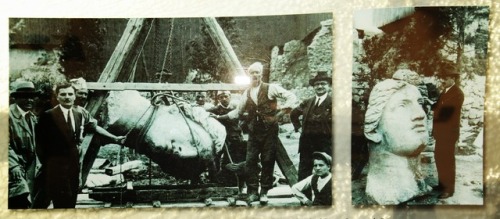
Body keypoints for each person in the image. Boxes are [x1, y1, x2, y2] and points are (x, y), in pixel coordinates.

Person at [34, 82, 126, 208]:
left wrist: (115, 138)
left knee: (71, 200)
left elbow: (94, 127)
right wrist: (46, 164)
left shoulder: (80, 113)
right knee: (57, 201)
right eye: (63, 94)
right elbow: (39, 143)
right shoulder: (48, 116)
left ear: (74, 96)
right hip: (55, 165)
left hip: (74, 165)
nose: (67, 97)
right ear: (57, 97)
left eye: (70, 94)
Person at [220, 62, 297, 204]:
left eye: (257, 72)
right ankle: (253, 192)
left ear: (261, 74)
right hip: (254, 132)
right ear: (249, 75)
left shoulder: (271, 88)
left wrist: (280, 114)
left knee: (268, 160)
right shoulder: (247, 92)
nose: (254, 75)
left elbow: (291, 97)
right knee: (250, 161)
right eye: (252, 73)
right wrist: (221, 118)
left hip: (270, 131)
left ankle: (264, 192)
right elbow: (237, 112)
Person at [363, 79, 430, 204]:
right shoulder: (382, 191)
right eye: (402, 106)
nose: (420, 114)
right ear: (373, 131)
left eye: (420, 104)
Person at [290, 71, 332, 181]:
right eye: (317, 84)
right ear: (313, 87)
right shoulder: (308, 102)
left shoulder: (334, 102)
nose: (320, 86)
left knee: (326, 171)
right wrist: (298, 128)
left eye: (323, 84)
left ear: (329, 86)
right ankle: (304, 196)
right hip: (307, 143)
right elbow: (293, 114)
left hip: (325, 143)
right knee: (304, 170)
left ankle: (324, 197)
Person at [432, 68, 464, 199]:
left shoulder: (457, 93)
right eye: (442, 78)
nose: (443, 80)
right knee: (439, 158)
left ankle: (449, 190)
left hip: (449, 133)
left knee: (447, 160)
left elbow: (447, 114)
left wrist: (435, 111)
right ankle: (441, 184)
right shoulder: (445, 92)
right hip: (441, 133)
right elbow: (438, 106)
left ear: (453, 79)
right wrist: (431, 105)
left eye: (445, 78)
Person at [8, 81, 39, 208]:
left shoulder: (31, 117)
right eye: (25, 97)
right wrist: (13, 166)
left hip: (28, 166)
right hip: (12, 165)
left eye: (32, 97)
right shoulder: (7, 116)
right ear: (15, 98)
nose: (29, 100)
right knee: (17, 197)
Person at [208, 91, 246, 190]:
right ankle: (215, 180)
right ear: (219, 99)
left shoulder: (235, 108)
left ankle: (240, 182)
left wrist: (240, 128)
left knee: (236, 158)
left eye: (226, 96)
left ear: (230, 97)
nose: (224, 99)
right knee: (216, 157)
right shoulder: (215, 109)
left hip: (235, 137)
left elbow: (244, 116)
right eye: (221, 97)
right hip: (221, 138)